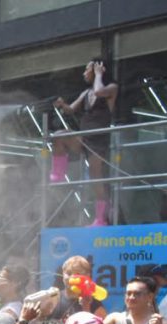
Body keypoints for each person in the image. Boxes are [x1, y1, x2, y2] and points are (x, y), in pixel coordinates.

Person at [50, 58, 118, 226]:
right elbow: (71, 109)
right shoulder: (86, 92)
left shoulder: (111, 88)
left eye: (87, 69)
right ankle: (58, 173)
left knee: (96, 179)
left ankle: (101, 218)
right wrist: (62, 105)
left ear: (98, 69)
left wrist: (98, 75)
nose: (84, 73)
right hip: (84, 137)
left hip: (99, 141)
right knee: (58, 135)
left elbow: (99, 92)